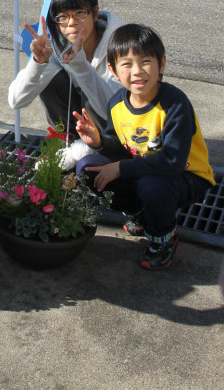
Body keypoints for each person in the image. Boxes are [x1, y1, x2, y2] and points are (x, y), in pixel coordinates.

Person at [74, 23, 214, 271]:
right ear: (113, 70)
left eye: (145, 61)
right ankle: (143, 212)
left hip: (187, 176)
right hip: (144, 170)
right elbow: (119, 147)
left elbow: (172, 161)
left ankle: (163, 239)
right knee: (88, 167)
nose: (137, 71)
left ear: (161, 64)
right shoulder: (117, 103)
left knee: (152, 185)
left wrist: (122, 168)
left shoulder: (175, 104)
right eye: (127, 64)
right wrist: (98, 142)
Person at [8, 0, 123, 167]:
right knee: (49, 78)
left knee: (85, 170)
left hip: (115, 135)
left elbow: (114, 113)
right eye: (62, 16)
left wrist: (81, 66)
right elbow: (16, 101)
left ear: (95, 13)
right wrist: (37, 62)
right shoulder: (57, 44)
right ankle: (67, 141)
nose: (71, 22)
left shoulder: (120, 44)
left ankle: (82, 152)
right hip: (82, 129)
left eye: (79, 13)